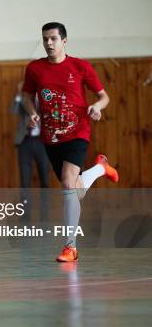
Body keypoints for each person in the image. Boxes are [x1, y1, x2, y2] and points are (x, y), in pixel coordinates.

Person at [21, 22, 119, 263]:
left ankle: (70, 247)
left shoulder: (80, 66)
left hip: (78, 132)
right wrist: (31, 112)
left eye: (53, 38)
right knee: (74, 191)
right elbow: (26, 96)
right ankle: (100, 168)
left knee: (67, 180)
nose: (48, 43)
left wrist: (96, 106)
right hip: (51, 137)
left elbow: (103, 96)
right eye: (45, 39)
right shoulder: (35, 69)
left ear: (64, 40)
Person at [10, 81, 50, 188]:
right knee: (24, 180)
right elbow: (13, 111)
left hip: (42, 141)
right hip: (24, 141)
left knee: (45, 178)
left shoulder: (44, 97)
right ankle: (25, 205)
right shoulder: (23, 99)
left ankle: (45, 205)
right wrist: (18, 93)